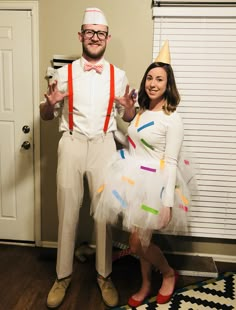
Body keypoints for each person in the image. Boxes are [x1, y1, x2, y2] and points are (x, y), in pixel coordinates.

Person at [40, 7, 136, 309]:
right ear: (81, 36)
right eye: (89, 32)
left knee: (103, 214)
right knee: (67, 208)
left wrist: (130, 109)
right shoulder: (62, 74)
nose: (95, 38)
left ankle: (104, 275)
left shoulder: (119, 76)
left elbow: (128, 117)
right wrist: (49, 104)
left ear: (107, 38)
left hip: (104, 144)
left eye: (100, 33)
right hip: (71, 141)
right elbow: (46, 116)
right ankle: (62, 276)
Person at [93, 40, 193, 307]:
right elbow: (134, 145)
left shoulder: (173, 118)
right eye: (149, 77)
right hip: (133, 180)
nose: (152, 83)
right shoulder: (142, 112)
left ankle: (169, 274)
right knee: (139, 239)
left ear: (167, 84)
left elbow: (170, 162)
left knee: (137, 244)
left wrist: (167, 203)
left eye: (159, 79)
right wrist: (111, 128)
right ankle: (146, 283)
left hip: (156, 186)